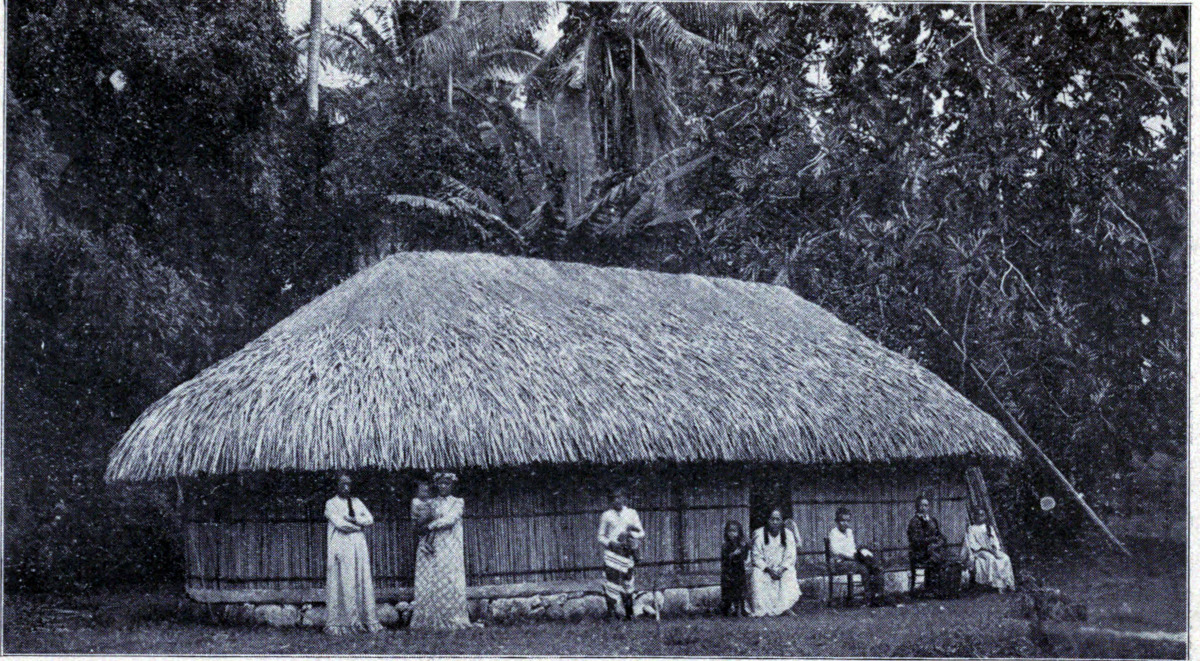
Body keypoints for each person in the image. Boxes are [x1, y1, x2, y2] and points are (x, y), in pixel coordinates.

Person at [410, 472, 475, 629]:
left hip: (450, 544)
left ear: (452, 485)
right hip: (432, 544)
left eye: (447, 483)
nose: (443, 486)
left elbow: (451, 519)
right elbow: (419, 519)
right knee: (432, 578)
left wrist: (432, 525)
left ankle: (452, 616)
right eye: (440, 483)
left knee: (449, 577)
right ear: (436, 485)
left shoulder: (458, 502)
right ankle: (430, 617)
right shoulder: (431, 502)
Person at [324, 473, 383, 635]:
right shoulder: (331, 503)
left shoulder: (357, 502)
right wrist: (357, 526)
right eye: (342, 484)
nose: (346, 488)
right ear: (336, 486)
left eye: (348, 484)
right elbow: (340, 524)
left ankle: (363, 621)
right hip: (341, 544)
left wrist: (355, 519)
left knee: (359, 577)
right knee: (344, 578)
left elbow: (369, 519)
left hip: (358, 544)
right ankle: (343, 622)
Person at [597, 485, 644, 620]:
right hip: (612, 554)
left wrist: (629, 534)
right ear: (610, 500)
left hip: (627, 553)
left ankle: (629, 614)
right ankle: (611, 614)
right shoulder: (606, 515)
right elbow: (600, 536)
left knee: (627, 583)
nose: (617, 500)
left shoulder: (631, 513)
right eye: (614, 498)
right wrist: (611, 543)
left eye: (619, 497)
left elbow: (641, 532)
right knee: (611, 583)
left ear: (624, 498)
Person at [827, 506, 885, 605]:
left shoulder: (849, 532)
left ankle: (877, 595)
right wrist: (851, 556)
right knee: (864, 569)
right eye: (842, 520)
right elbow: (835, 551)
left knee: (874, 566)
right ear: (837, 521)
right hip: (840, 562)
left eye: (847, 521)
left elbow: (852, 547)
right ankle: (868, 597)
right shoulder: (833, 533)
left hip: (853, 560)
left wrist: (861, 552)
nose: (845, 523)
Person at [749, 508, 801, 616]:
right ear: (767, 520)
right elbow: (756, 556)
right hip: (766, 569)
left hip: (781, 569)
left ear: (782, 521)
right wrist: (768, 570)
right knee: (757, 574)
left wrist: (781, 569)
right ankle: (762, 609)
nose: (775, 522)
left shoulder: (788, 534)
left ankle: (785, 607)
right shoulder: (759, 534)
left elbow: (790, 556)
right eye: (772, 519)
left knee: (790, 573)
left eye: (778, 519)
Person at [960, 506, 1015, 592]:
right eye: (978, 515)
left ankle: (1006, 583)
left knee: (1005, 558)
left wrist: (994, 547)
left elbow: (995, 540)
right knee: (991, 558)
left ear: (985, 516)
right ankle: (992, 583)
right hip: (980, 551)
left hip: (991, 549)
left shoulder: (989, 528)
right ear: (975, 516)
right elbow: (972, 543)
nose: (980, 517)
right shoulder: (972, 528)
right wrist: (985, 548)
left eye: (982, 515)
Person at [907, 495, 951, 595]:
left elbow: (940, 536)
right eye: (921, 505)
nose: (924, 508)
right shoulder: (914, 522)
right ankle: (930, 588)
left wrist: (939, 543)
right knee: (936, 558)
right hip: (920, 552)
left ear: (929, 507)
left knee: (947, 558)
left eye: (926, 505)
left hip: (933, 549)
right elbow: (916, 540)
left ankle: (943, 587)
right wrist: (932, 540)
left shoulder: (932, 520)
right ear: (917, 507)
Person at [719, 520, 750, 616]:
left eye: (734, 531)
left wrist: (745, 547)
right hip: (728, 573)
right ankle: (729, 608)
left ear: (739, 533)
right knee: (729, 592)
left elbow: (744, 558)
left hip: (739, 571)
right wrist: (733, 554)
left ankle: (741, 609)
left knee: (740, 590)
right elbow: (725, 560)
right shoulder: (725, 546)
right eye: (730, 531)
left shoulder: (741, 545)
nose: (732, 534)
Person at [411, 480, 436, 560]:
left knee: (432, 528)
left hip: (429, 520)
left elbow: (433, 510)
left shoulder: (430, 501)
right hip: (420, 521)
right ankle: (425, 544)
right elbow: (414, 514)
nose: (424, 494)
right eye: (421, 491)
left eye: (426, 491)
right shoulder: (416, 501)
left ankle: (428, 543)